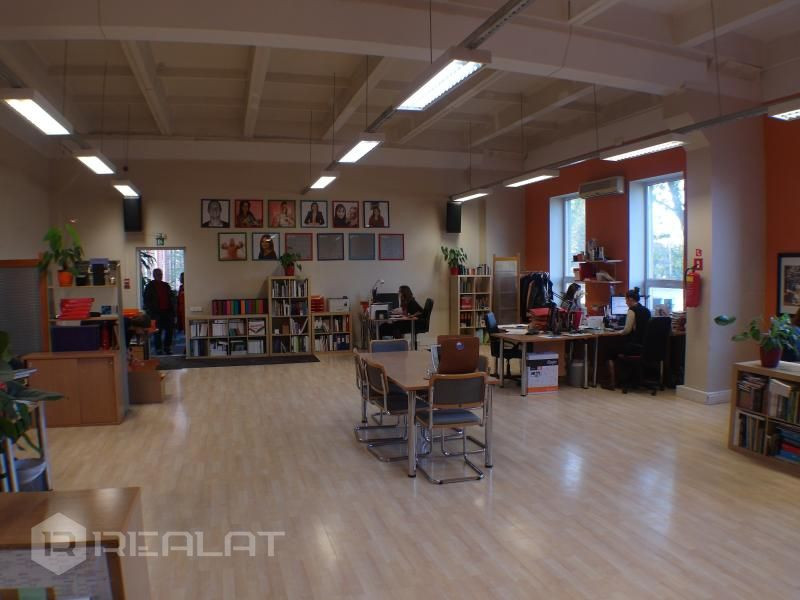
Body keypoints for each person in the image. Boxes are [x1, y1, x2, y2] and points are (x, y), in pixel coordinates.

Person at [606, 287, 651, 389]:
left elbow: (627, 330)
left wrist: (618, 332)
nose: (626, 302)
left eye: (626, 300)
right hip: (645, 347)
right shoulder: (646, 310)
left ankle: (612, 383)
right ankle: (628, 378)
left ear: (630, 299)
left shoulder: (632, 310)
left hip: (634, 346)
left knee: (609, 351)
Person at [143, 268, 175, 355]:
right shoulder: (149, 286)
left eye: (160, 274)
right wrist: (150, 312)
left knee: (169, 331)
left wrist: (173, 312)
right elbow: (146, 300)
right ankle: (158, 349)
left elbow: (171, 298)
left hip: (167, 313)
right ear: (154, 275)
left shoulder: (166, 285)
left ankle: (167, 347)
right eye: (157, 274)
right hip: (156, 313)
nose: (159, 276)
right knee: (157, 332)